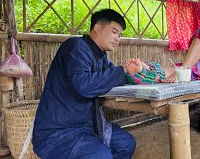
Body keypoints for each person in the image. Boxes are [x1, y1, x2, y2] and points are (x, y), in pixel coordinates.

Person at [32, 9, 136, 159]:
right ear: (97, 27)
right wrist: (124, 70)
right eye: (114, 32)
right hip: (58, 132)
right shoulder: (76, 47)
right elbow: (84, 85)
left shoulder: (101, 57)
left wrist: (135, 73)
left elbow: (114, 75)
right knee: (101, 155)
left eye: (120, 35)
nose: (118, 38)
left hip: (87, 127)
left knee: (126, 143)